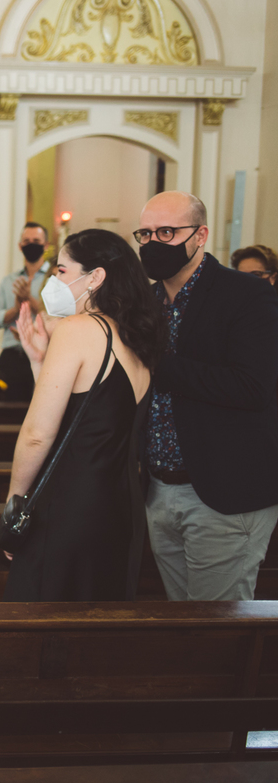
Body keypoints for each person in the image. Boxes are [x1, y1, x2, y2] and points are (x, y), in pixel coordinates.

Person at [136, 191, 278, 601]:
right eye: (145, 234)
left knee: (217, 630)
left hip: (226, 489)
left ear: (200, 235)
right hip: (160, 488)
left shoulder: (245, 294)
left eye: (166, 231)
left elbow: (252, 387)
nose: (153, 243)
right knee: (183, 622)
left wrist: (159, 363)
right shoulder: (147, 301)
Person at [3, 230, 159, 601]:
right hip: (121, 504)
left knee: (44, 624)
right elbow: (85, 418)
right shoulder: (133, 335)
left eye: (60, 270)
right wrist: (38, 360)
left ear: (95, 277)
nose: (54, 281)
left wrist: (15, 502)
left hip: (71, 503)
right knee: (95, 630)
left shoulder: (76, 330)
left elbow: (39, 433)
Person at [0, 223, 52, 401]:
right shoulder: (9, 281)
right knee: (7, 414)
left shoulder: (54, 278)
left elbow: (57, 316)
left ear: (46, 245)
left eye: (36, 241)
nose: (31, 244)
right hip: (13, 357)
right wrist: (16, 309)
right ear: (20, 246)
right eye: (27, 241)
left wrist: (29, 299)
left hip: (45, 356)